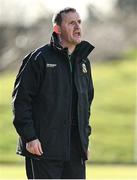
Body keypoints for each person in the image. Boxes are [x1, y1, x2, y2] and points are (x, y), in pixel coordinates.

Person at [12, 7, 95, 179]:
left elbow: (86, 105)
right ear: (57, 29)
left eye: (79, 22)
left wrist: (84, 140)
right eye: (71, 23)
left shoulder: (83, 62)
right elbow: (21, 101)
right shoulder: (39, 58)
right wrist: (30, 137)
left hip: (75, 151)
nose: (78, 26)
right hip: (43, 148)